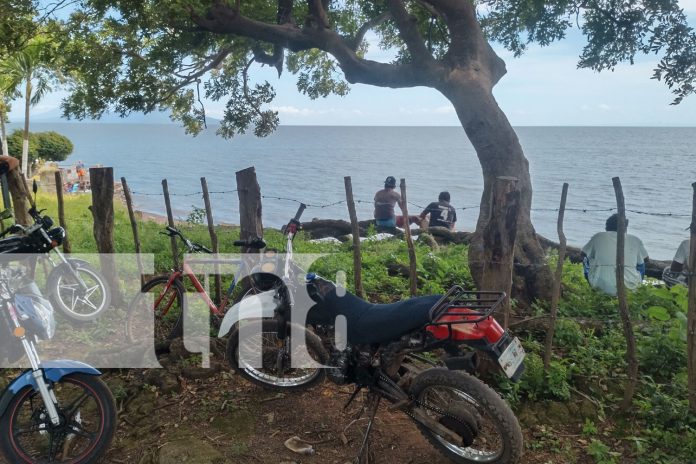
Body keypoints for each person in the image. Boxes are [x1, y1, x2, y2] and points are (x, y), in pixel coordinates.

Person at [581, 213, 649, 296]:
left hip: (601, 286)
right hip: (629, 288)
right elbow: (646, 259)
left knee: (586, 259)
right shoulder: (635, 239)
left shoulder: (598, 237)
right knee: (641, 263)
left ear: (607, 227)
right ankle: (635, 284)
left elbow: (583, 254)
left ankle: (594, 284)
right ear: (624, 227)